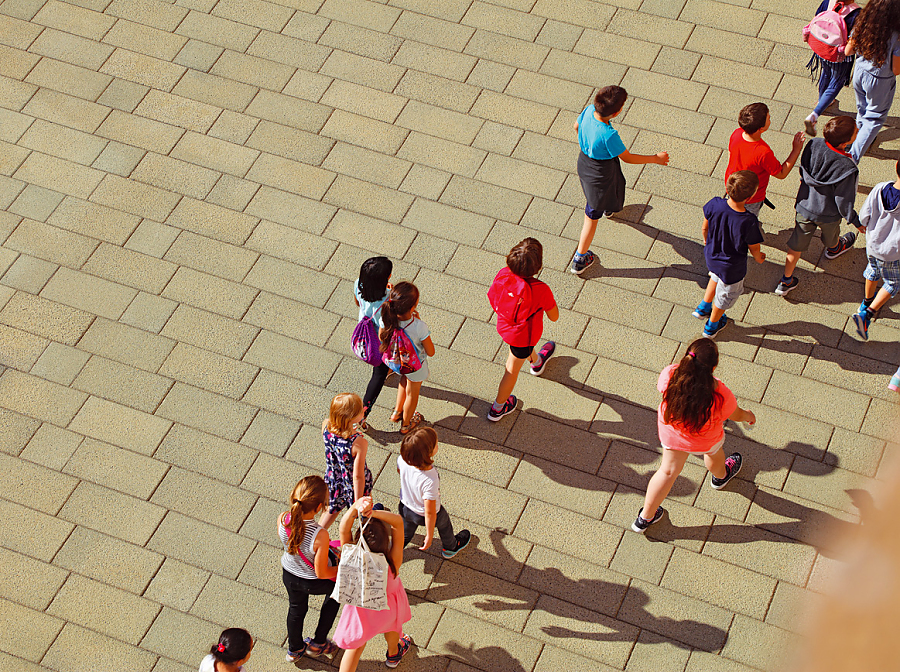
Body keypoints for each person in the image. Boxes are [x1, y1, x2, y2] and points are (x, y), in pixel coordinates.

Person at [632, 339, 756, 533]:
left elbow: (662, 388)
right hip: (704, 439)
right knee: (715, 456)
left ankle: (644, 518)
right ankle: (721, 477)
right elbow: (736, 414)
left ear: (687, 357)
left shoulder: (670, 374)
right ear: (713, 367)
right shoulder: (720, 395)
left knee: (667, 472)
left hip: (671, 432)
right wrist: (749, 416)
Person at [570, 85, 669, 274]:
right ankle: (580, 258)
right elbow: (628, 157)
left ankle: (610, 208)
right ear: (616, 112)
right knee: (591, 214)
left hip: (585, 162)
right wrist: (655, 159)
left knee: (614, 186)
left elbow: (576, 126)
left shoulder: (589, 110)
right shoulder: (609, 135)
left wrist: (588, 144)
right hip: (601, 172)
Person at [776, 116, 864, 296]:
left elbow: (803, 170)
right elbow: (843, 201)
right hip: (828, 214)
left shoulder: (813, 144)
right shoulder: (847, 167)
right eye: (856, 131)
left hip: (805, 205)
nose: (858, 131)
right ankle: (834, 248)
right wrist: (855, 220)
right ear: (846, 142)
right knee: (831, 236)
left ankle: (785, 281)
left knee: (796, 245)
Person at [334, 498, 413, 671]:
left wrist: (357, 507)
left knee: (355, 648)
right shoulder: (392, 562)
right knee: (393, 629)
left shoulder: (350, 557)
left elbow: (343, 527)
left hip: (361, 612)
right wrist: (374, 513)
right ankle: (393, 654)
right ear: (386, 543)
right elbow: (398, 523)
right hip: (387, 610)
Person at [487, 238, 559, 421]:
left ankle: (536, 362)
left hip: (504, 325)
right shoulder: (540, 289)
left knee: (522, 352)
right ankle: (498, 407)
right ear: (538, 267)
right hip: (523, 335)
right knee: (511, 369)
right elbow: (554, 316)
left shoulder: (503, 274)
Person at [693, 171, 765, 338]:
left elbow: (705, 227)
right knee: (726, 296)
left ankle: (704, 307)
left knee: (715, 276)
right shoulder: (748, 220)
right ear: (752, 195)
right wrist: (758, 257)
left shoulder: (715, 203)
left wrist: (706, 242)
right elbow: (754, 247)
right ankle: (712, 324)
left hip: (712, 255)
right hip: (732, 268)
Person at [280, 475, 341, 662]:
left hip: (289, 574)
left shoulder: (283, 519)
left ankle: (295, 649)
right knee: (335, 595)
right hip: (312, 581)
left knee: (296, 609)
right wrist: (341, 571)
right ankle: (319, 643)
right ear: (318, 508)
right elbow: (321, 572)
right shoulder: (319, 534)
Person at [396, 426, 471, 558]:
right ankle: (450, 547)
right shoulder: (430, 479)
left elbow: (400, 472)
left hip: (405, 507)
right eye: (436, 443)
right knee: (444, 524)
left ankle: (393, 551)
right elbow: (430, 512)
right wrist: (429, 535)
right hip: (422, 515)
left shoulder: (402, 459)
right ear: (428, 453)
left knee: (406, 531)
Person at [725, 102, 805, 219]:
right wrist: (796, 150)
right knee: (747, 219)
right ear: (760, 128)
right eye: (768, 118)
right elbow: (781, 173)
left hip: (732, 186)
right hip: (752, 196)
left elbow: (730, 154)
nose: (770, 118)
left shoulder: (736, 133)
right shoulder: (763, 152)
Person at [844, 0, 900, 162]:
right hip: (880, 81)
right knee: (875, 117)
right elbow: (896, 70)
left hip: (860, 73)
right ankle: (851, 158)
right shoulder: (897, 36)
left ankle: (859, 135)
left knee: (862, 109)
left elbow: (848, 51)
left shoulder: (864, 21)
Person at [851, 160, 900, 340]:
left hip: (873, 244)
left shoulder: (880, 188)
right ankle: (867, 315)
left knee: (873, 270)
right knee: (893, 283)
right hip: (893, 252)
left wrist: (862, 225)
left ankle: (866, 302)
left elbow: (865, 214)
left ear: (896, 166)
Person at [379, 281, 434, 434]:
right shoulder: (419, 326)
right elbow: (430, 352)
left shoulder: (386, 318)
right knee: (412, 393)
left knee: (403, 381)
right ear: (413, 307)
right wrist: (418, 321)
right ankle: (406, 425)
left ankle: (397, 412)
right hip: (415, 367)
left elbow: (381, 337)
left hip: (397, 362)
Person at [803, 0, 861, 137]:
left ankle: (822, 99)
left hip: (821, 48)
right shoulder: (857, 13)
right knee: (836, 81)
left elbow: (815, 18)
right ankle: (814, 115)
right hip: (838, 55)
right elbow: (851, 45)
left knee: (826, 73)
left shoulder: (828, 2)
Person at [319, 393, 372, 529]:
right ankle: (367, 524)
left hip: (334, 479)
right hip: (352, 485)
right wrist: (358, 501)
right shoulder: (359, 443)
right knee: (364, 510)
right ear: (351, 418)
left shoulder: (326, 426)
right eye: (360, 410)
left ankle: (315, 534)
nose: (364, 410)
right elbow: (358, 476)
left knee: (330, 511)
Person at [354, 256, 392, 430]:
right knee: (378, 374)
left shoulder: (358, 285)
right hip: (378, 341)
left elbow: (357, 302)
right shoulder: (387, 302)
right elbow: (383, 331)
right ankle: (363, 413)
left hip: (364, 332)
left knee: (379, 372)